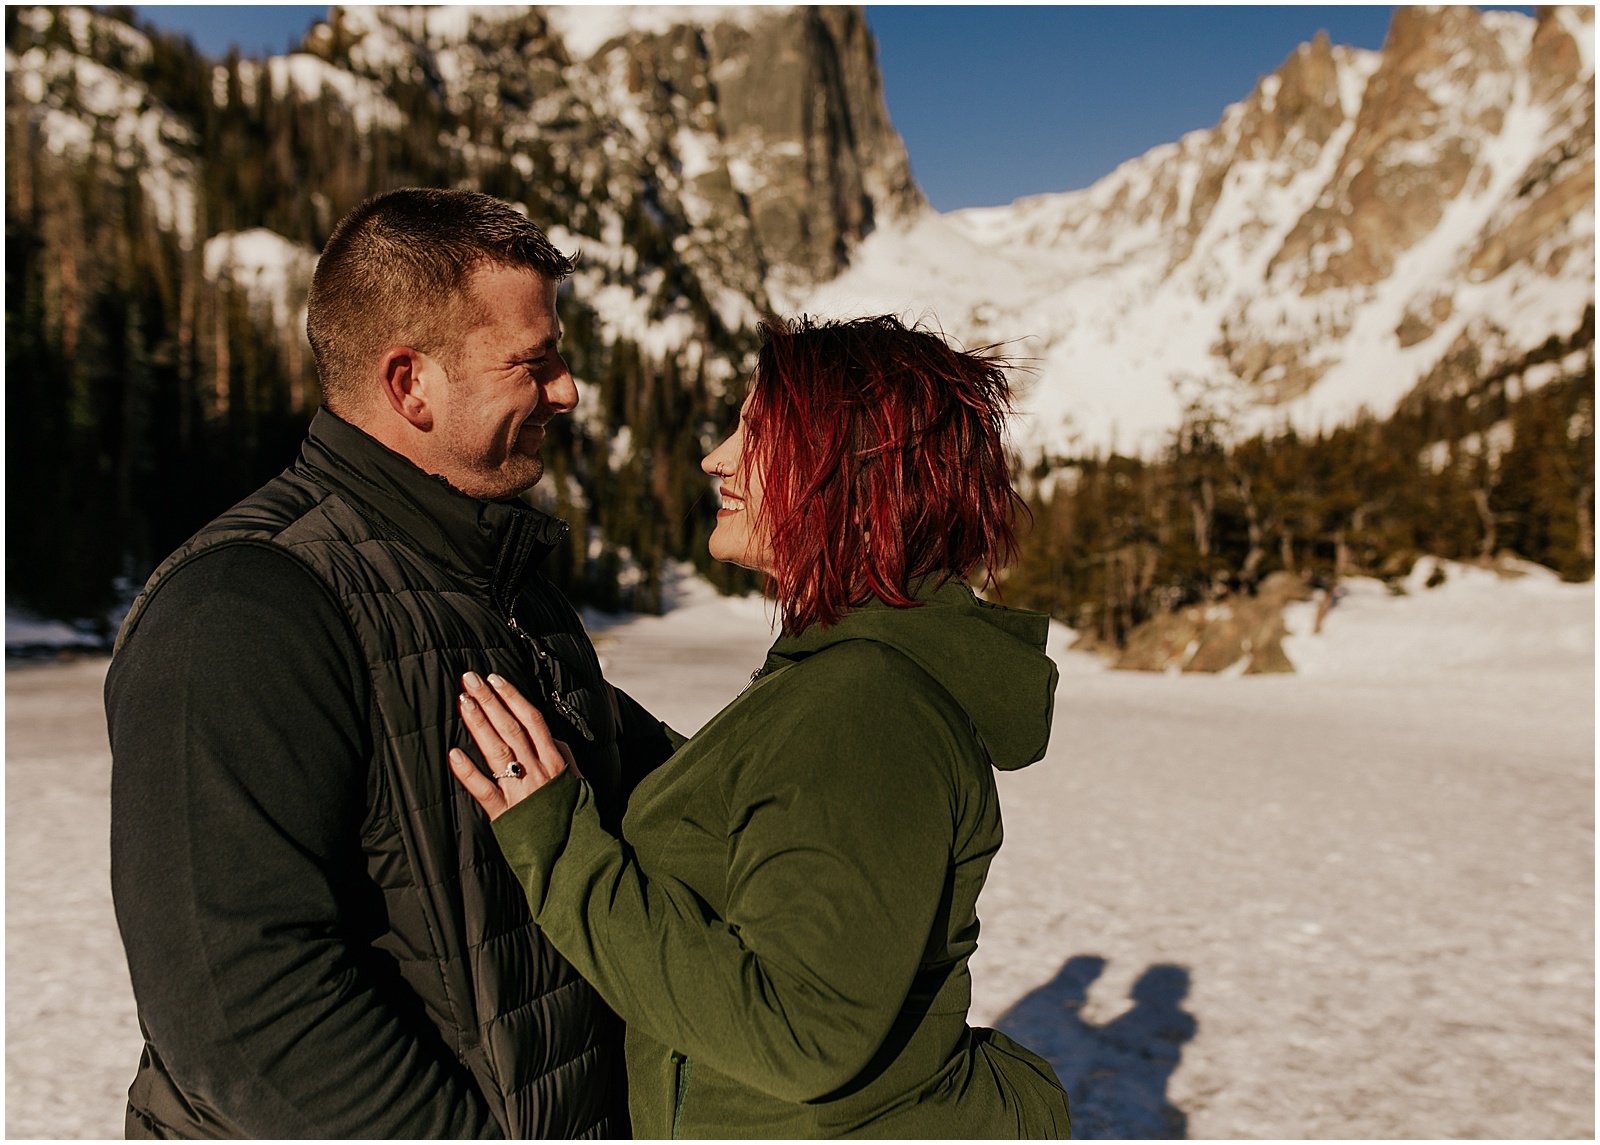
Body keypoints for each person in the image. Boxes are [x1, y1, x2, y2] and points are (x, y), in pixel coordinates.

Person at [106, 188, 671, 1138]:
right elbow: (238, 1011)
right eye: (534, 364)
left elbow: (649, 777)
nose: (567, 390)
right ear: (411, 383)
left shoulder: (500, 579)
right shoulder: (244, 606)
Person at [450, 315, 1075, 1137]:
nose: (718, 456)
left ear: (851, 475)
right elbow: (769, 815)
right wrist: (618, 728)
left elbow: (800, 1032)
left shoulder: (862, 706)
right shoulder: (847, 675)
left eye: (757, 430)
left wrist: (558, 847)